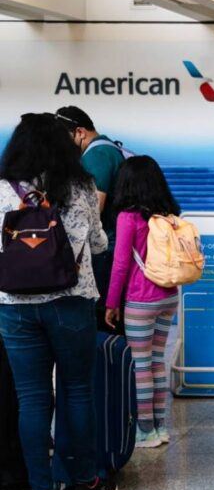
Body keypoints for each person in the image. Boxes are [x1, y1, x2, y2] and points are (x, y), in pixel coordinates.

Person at [0, 113, 119, 490]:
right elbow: (99, 243)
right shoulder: (81, 186)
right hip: (71, 301)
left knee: (32, 398)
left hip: (14, 306)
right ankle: (86, 483)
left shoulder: (3, 189)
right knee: (78, 390)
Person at [104, 156, 181, 450]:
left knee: (141, 365)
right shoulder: (168, 214)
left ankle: (145, 431)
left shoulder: (128, 217)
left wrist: (112, 302)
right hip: (168, 295)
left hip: (140, 300)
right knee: (157, 361)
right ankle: (161, 427)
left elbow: (121, 264)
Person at [55, 106, 126, 330]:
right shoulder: (107, 148)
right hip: (111, 240)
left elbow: (94, 207)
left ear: (80, 132)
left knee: (102, 317)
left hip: (106, 244)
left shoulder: (98, 155)